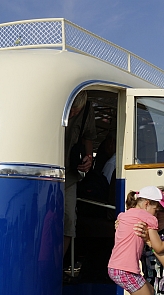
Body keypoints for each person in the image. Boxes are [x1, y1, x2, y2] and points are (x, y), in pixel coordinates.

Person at [63, 92, 96, 257]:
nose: (73, 114)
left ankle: (58, 266)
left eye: (77, 111)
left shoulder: (87, 109)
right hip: (48, 171)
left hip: (70, 174)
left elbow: (88, 136)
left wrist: (88, 158)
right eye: (72, 110)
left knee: (69, 220)